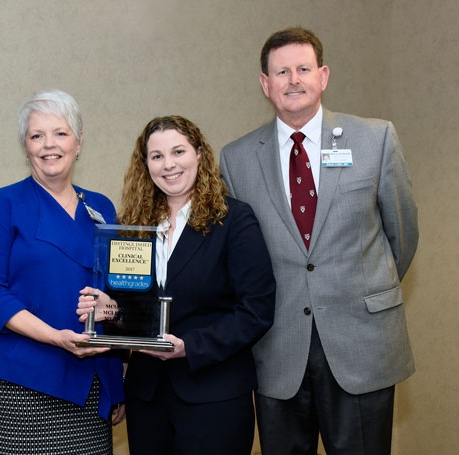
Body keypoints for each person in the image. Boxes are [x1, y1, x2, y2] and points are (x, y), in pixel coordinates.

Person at [219, 26, 419, 454]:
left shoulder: (375, 138)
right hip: (278, 349)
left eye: (303, 69)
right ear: (265, 84)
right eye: (282, 71)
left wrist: (361, 287)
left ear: (323, 76)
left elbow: (401, 235)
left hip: (362, 343)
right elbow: (240, 259)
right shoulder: (235, 159)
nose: (294, 80)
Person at [78, 115, 276, 454]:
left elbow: (256, 310)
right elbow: (135, 309)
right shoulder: (134, 226)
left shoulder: (233, 220)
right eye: (157, 156)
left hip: (214, 396)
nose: (168, 165)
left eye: (178, 152)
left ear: (199, 154)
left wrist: (190, 346)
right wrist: (108, 310)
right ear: (146, 165)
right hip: (148, 397)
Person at [0, 89, 125, 455]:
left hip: (92, 376)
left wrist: (117, 383)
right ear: (25, 146)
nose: (48, 145)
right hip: (21, 376)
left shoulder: (101, 207)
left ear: (79, 141)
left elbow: (120, 295)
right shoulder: (4, 203)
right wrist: (56, 337)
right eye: (36, 135)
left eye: (60, 133)